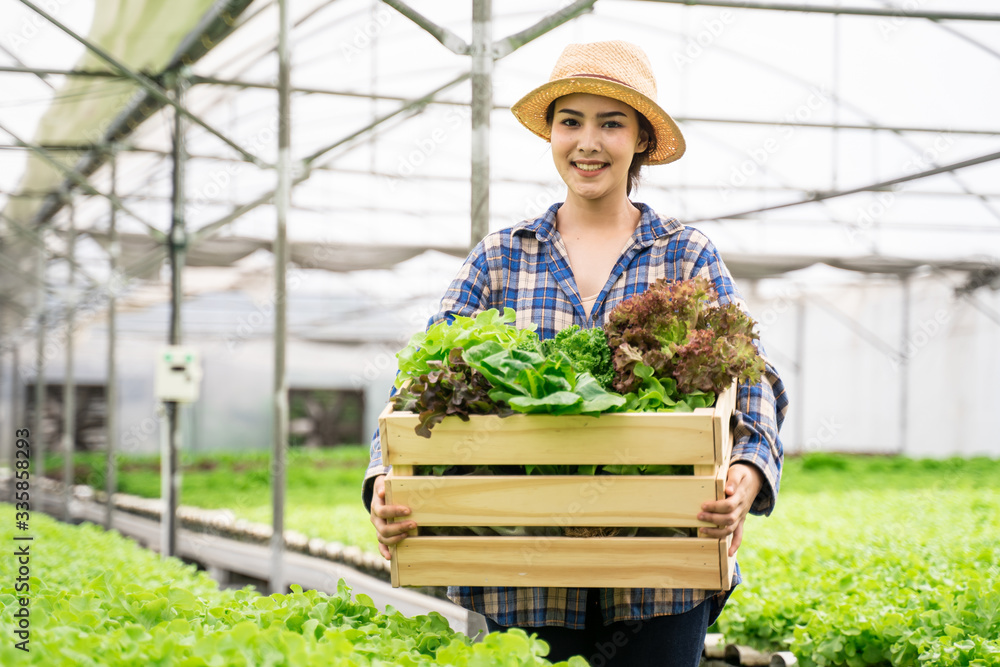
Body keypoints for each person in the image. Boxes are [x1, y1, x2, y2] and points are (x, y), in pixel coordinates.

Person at [364, 40, 787, 667]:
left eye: (611, 123)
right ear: (552, 135)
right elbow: (419, 379)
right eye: (572, 122)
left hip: (661, 565)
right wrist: (386, 481)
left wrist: (747, 471)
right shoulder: (501, 257)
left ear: (641, 139)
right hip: (520, 572)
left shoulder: (686, 254)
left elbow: (751, 378)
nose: (588, 142)